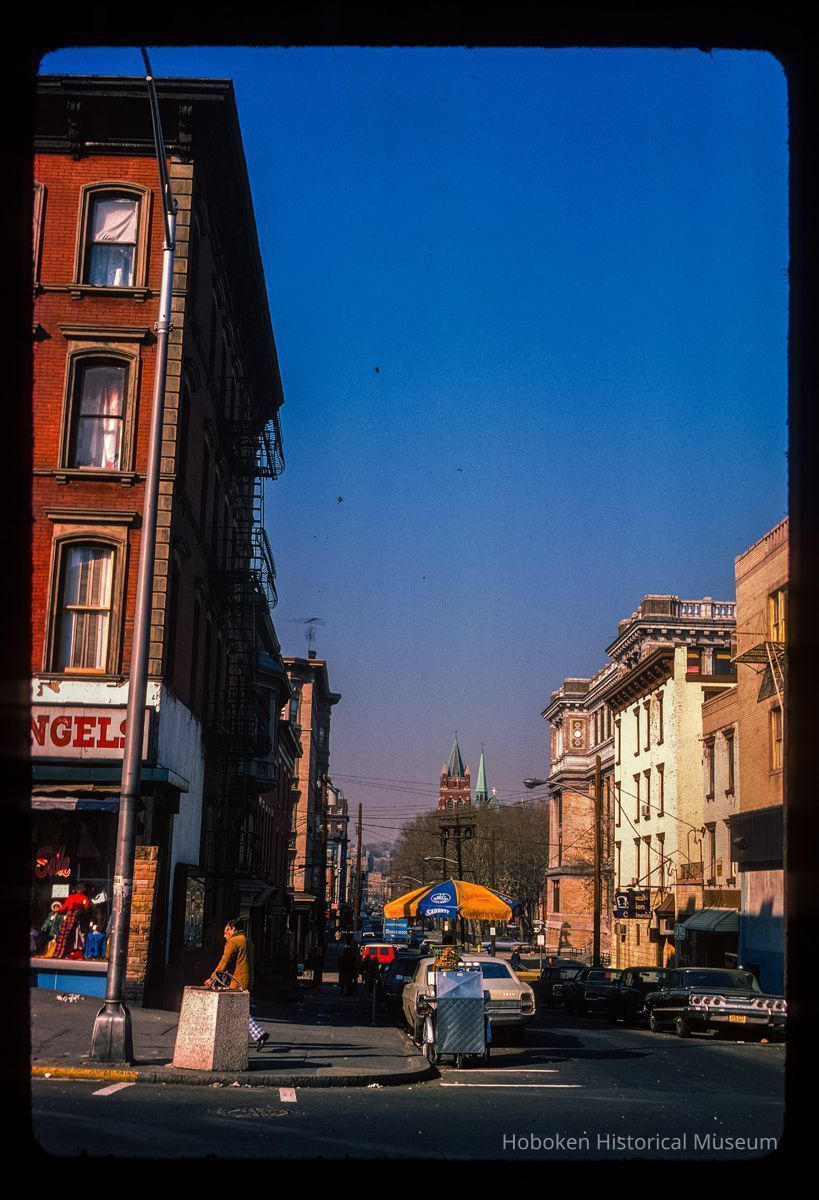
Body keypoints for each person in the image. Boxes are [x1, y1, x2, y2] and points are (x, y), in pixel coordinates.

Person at [203, 918, 269, 1052]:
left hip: (237, 982)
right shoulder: (248, 941)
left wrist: (212, 978)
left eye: (226, 931)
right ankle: (234, 1038)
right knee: (237, 1010)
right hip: (247, 980)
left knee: (238, 1011)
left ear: (233, 929)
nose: (224, 935)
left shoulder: (233, 941)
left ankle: (260, 1034)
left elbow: (224, 962)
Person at [53, 884, 91, 959]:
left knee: (62, 935)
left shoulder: (70, 897)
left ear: (76, 890)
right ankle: (64, 953)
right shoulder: (85, 898)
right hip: (76, 918)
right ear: (83, 890)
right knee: (68, 935)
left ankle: (57, 953)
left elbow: (63, 908)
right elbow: (86, 909)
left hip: (68, 915)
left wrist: (57, 910)